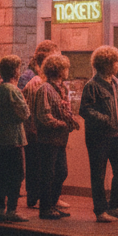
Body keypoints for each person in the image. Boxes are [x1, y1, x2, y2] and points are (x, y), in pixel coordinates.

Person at [79, 45, 118, 222]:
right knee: (99, 175)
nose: (117, 65)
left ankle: (114, 207)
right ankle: (100, 211)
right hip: (99, 138)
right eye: (115, 62)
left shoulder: (116, 83)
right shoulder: (92, 86)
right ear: (106, 64)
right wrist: (106, 120)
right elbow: (85, 110)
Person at [32, 53, 78, 220]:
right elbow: (43, 116)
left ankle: (52, 204)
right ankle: (45, 208)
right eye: (65, 68)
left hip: (59, 139)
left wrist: (70, 118)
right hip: (48, 139)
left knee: (61, 172)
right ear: (59, 70)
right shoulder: (45, 89)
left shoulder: (62, 89)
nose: (67, 71)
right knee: (48, 173)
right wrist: (62, 124)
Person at [0, 54, 29, 223]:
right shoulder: (13, 90)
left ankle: (0, 209)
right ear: (15, 71)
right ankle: (11, 210)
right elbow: (24, 113)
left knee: (2, 175)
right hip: (13, 138)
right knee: (16, 174)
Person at [22, 40, 60, 209]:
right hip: (34, 128)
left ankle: (41, 198)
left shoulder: (39, 79)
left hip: (34, 127)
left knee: (40, 165)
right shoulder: (31, 79)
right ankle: (36, 197)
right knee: (36, 164)